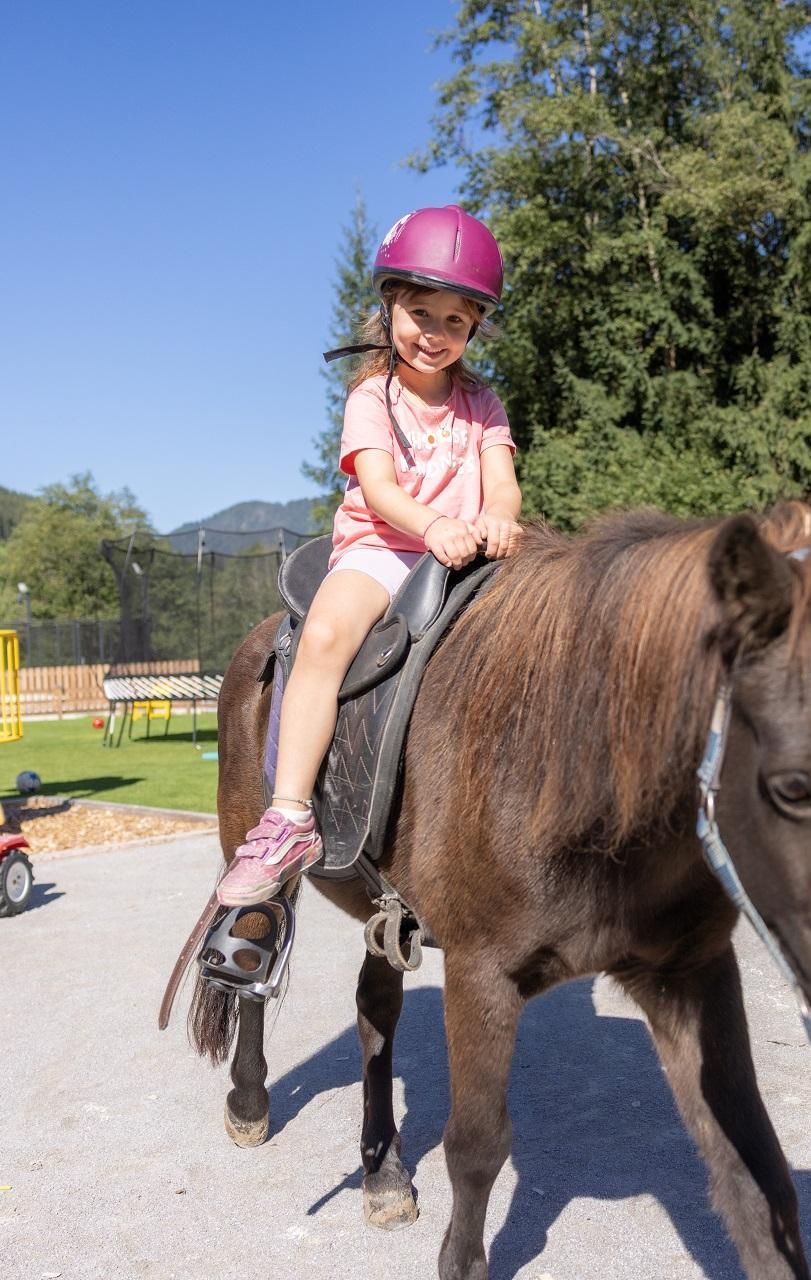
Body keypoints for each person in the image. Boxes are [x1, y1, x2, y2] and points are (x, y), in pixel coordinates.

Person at [217, 205, 522, 906]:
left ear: (475, 325)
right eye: (421, 313)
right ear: (389, 307)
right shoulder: (371, 396)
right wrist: (437, 523)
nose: (436, 334)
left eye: (455, 320)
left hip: (469, 557)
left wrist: (500, 521)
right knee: (325, 636)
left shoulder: (484, 403)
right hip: (385, 549)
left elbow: (502, 486)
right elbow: (380, 490)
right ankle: (288, 814)